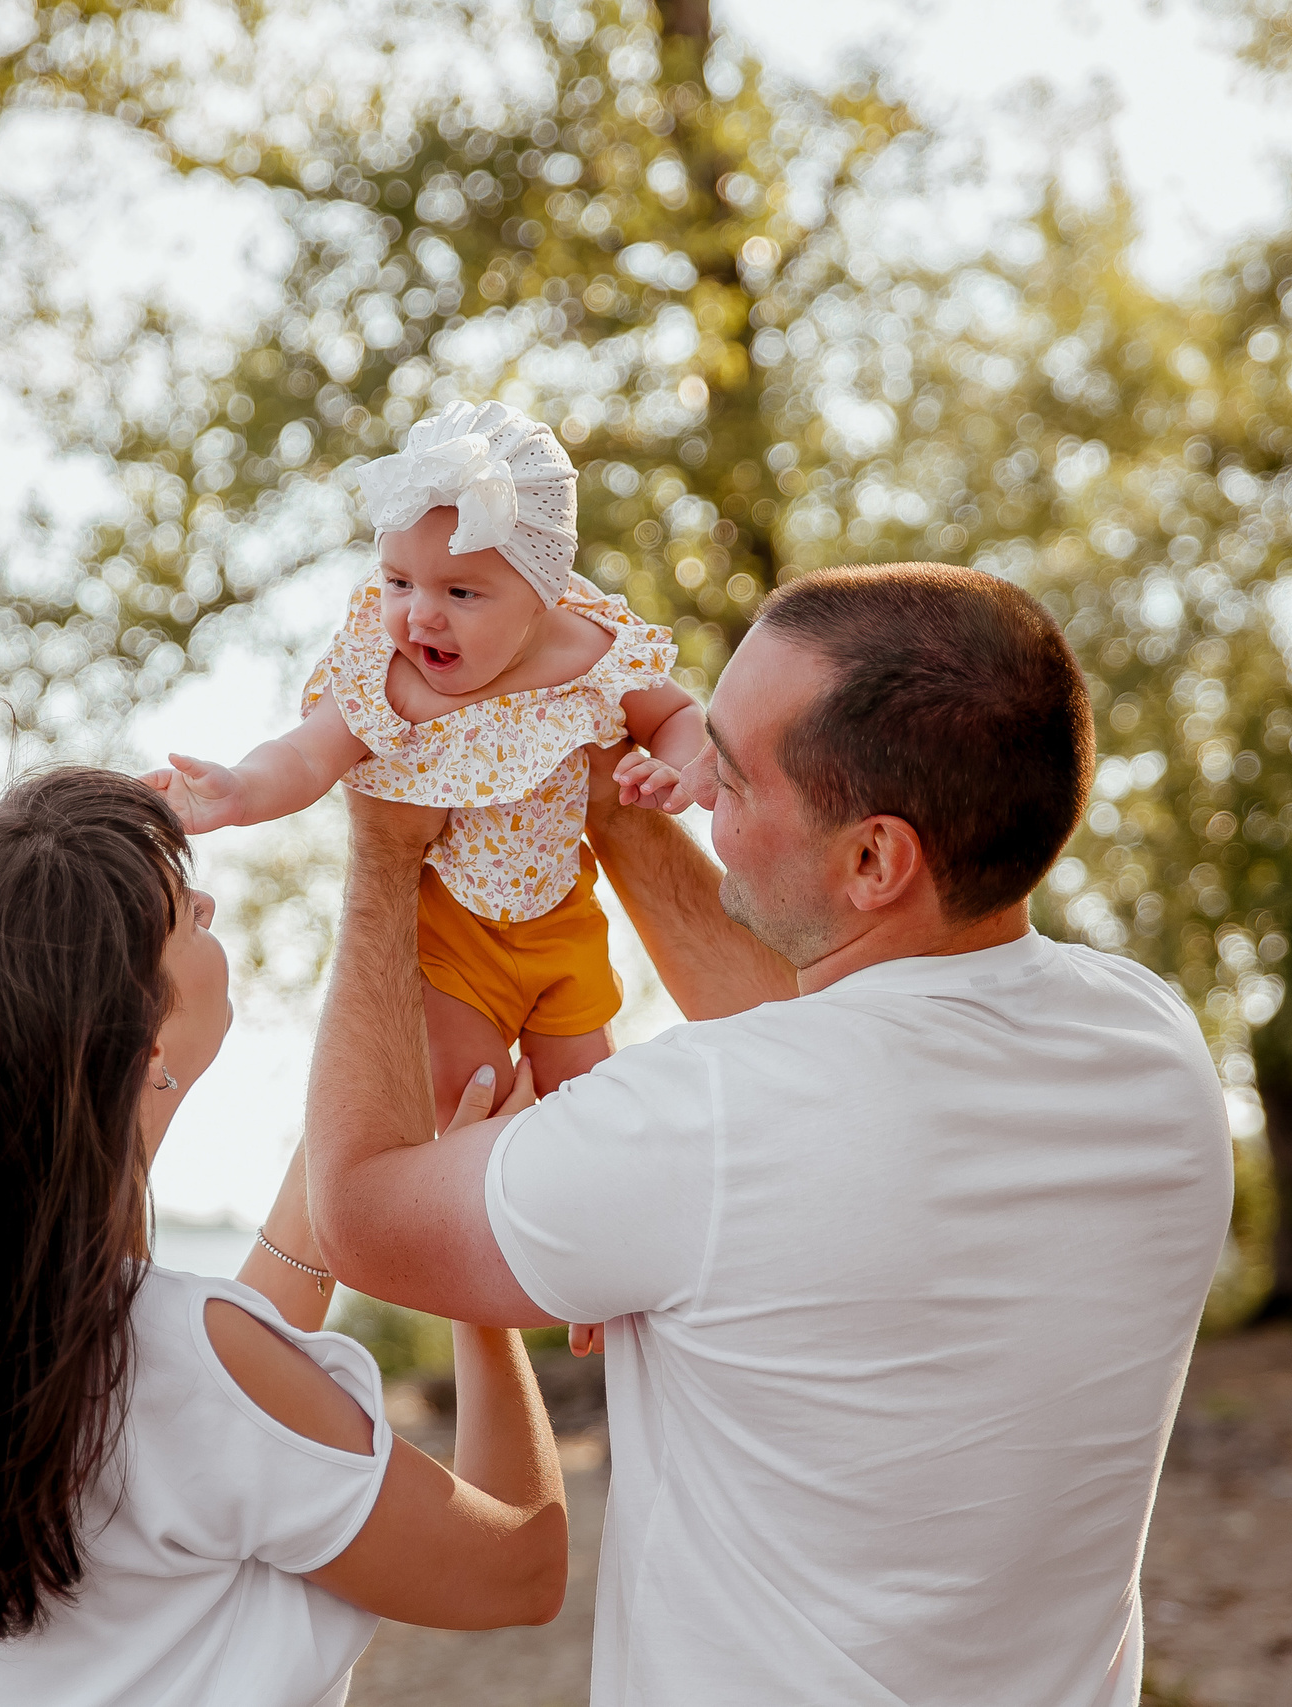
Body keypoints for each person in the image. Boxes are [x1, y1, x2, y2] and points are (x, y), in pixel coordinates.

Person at [302, 563, 1234, 1706]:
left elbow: (362, 1215)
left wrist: (384, 855)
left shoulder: (709, 1122)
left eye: (730, 777)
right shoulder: (1152, 1047)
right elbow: (835, 1050)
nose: (694, 789)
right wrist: (603, 803)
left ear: (875, 859)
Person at [0, 767, 566, 1707]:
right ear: (145, 1033)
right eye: (179, 915)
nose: (208, 898)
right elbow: (519, 1562)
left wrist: (369, 1145)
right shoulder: (187, 1363)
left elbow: (210, 1412)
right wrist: (467, 1242)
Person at [142, 399, 709, 1124]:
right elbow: (306, 753)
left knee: (583, 1106)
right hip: (449, 934)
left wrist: (677, 769)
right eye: (399, 582)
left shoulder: (590, 649)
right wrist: (240, 791)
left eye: (460, 591)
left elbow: (679, 715)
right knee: (466, 1093)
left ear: (541, 591)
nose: (420, 616)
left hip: (561, 922)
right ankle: (469, 1209)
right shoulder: (390, 674)